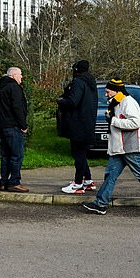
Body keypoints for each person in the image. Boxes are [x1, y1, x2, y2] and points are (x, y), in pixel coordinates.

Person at [81, 79, 140, 218]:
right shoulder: (116, 102)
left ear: (117, 90)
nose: (106, 92)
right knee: (111, 174)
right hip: (121, 147)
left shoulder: (128, 102)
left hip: (129, 147)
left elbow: (136, 122)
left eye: (108, 90)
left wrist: (114, 121)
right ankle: (100, 204)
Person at [57, 60, 98, 194]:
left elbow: (73, 101)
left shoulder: (78, 82)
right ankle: (88, 181)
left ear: (76, 70)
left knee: (78, 154)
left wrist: (61, 101)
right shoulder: (91, 83)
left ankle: (78, 183)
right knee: (81, 153)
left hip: (77, 124)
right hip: (87, 123)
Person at [0, 67, 29, 192]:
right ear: (13, 75)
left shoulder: (2, 88)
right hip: (13, 126)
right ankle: (14, 181)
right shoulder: (14, 88)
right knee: (16, 155)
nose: (21, 77)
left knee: (5, 156)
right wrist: (23, 125)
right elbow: (17, 108)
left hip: (2, 125)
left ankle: (3, 182)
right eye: (20, 75)